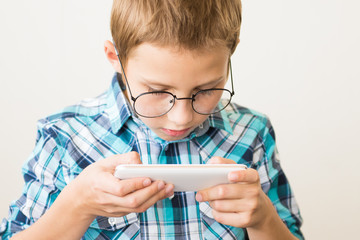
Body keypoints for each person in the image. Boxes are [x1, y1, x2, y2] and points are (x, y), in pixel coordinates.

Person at [0, 0, 303, 239]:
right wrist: (78, 204)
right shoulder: (65, 137)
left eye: (207, 90)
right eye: (157, 91)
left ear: (232, 51)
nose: (182, 117)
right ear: (114, 56)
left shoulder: (252, 133)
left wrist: (263, 218)